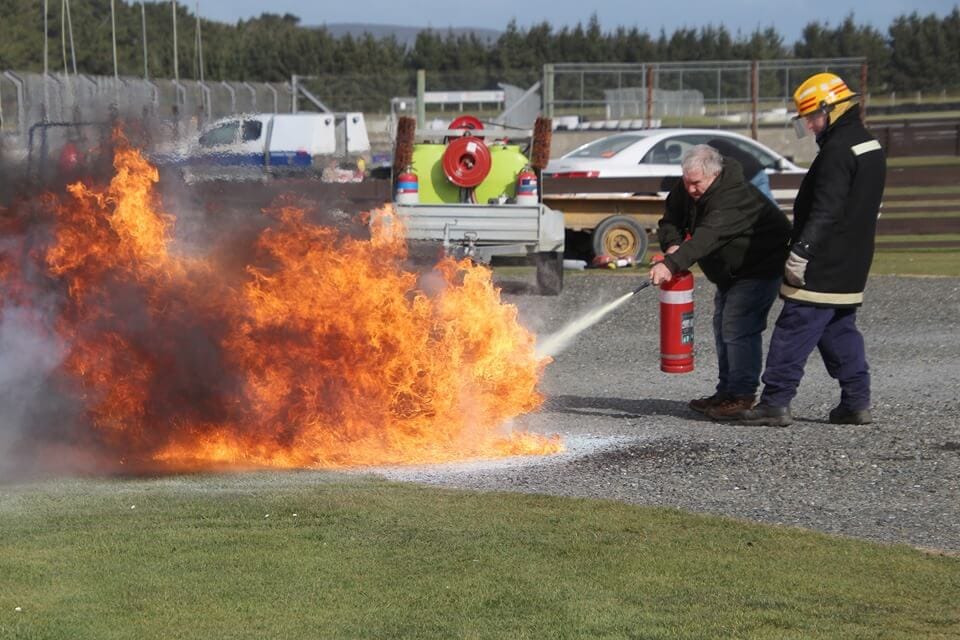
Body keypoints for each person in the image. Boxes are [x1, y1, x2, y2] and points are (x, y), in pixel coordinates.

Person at [731, 72, 886, 427]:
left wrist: (801, 250)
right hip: (854, 258)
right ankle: (857, 401)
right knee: (839, 329)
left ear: (831, 108)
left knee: (794, 328)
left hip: (822, 259)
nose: (811, 126)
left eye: (812, 117)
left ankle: (775, 402)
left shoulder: (837, 150)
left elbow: (826, 209)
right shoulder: (869, 144)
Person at [649, 144, 791, 419]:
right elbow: (669, 221)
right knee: (722, 325)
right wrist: (672, 246)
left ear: (714, 175)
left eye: (696, 183)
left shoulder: (733, 195)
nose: (690, 189)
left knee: (737, 325)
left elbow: (707, 236)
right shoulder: (687, 188)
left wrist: (671, 265)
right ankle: (726, 391)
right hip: (728, 271)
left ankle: (742, 395)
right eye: (686, 181)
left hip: (759, 265)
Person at [707, 137, 777, 205]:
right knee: (768, 203)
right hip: (757, 170)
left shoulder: (713, 153)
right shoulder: (717, 145)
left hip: (747, 174)